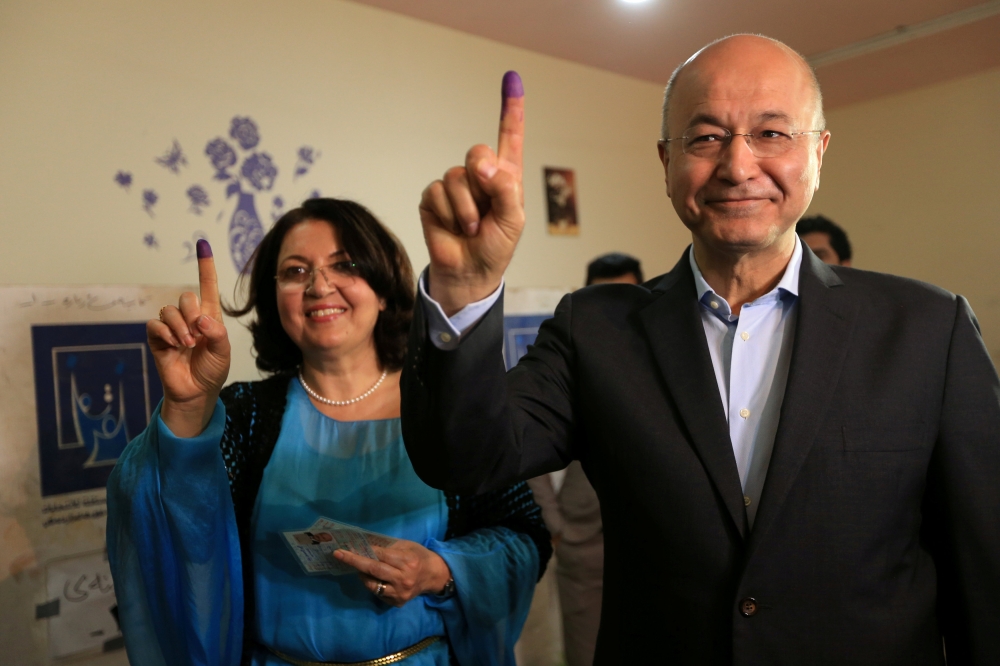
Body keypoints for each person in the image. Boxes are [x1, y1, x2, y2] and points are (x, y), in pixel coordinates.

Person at [400, 38, 1000, 663]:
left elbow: (985, 567)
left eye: (772, 133)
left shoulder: (930, 329)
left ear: (818, 152)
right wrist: (465, 290)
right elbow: (464, 460)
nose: (738, 166)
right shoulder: (596, 330)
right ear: (666, 161)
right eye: (706, 137)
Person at [105, 198, 551, 666]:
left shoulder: (449, 409)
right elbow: (160, 525)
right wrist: (187, 408)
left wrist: (441, 570)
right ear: (275, 298)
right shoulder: (244, 415)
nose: (319, 286)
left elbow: (524, 538)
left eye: (346, 265)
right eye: (296, 272)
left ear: (383, 292)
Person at [527, 251, 642, 666]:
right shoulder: (571, 352)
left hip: (660, 545)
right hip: (584, 543)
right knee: (587, 653)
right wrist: (556, 523)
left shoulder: (668, 353)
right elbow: (527, 436)